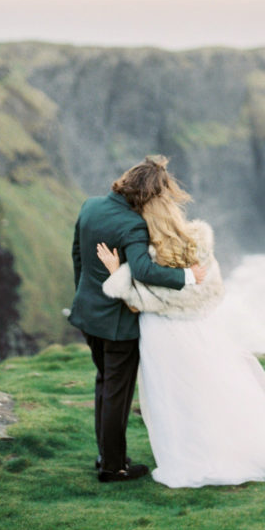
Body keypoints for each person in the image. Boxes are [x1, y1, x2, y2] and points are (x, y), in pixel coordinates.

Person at [96, 160, 265, 489]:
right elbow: (213, 292)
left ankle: (186, 454)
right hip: (198, 329)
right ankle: (217, 446)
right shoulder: (198, 245)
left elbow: (137, 300)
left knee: (171, 396)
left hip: (160, 333)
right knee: (206, 388)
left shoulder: (148, 255)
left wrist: (116, 273)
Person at [69, 156, 207, 483]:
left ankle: (106, 454)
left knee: (104, 384)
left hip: (88, 313)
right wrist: (188, 276)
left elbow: (77, 255)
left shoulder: (90, 206)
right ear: (148, 194)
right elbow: (144, 271)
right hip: (117, 323)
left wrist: (84, 294)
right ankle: (114, 466)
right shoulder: (132, 224)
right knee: (118, 392)